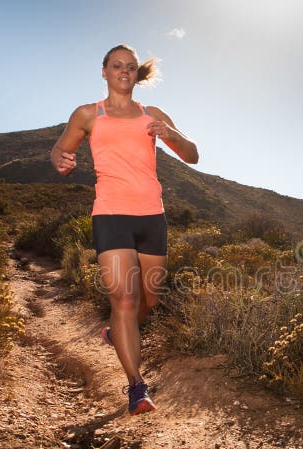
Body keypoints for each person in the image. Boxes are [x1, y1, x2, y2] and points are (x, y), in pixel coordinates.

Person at [50, 44, 199, 415]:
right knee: (125, 300)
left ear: (137, 74)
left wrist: (172, 135)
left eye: (130, 67)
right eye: (117, 66)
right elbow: (59, 151)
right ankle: (136, 386)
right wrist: (62, 160)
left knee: (150, 298)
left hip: (151, 215)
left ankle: (118, 334)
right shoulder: (88, 114)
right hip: (111, 215)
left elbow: (193, 155)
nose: (124, 71)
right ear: (104, 71)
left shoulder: (153, 114)